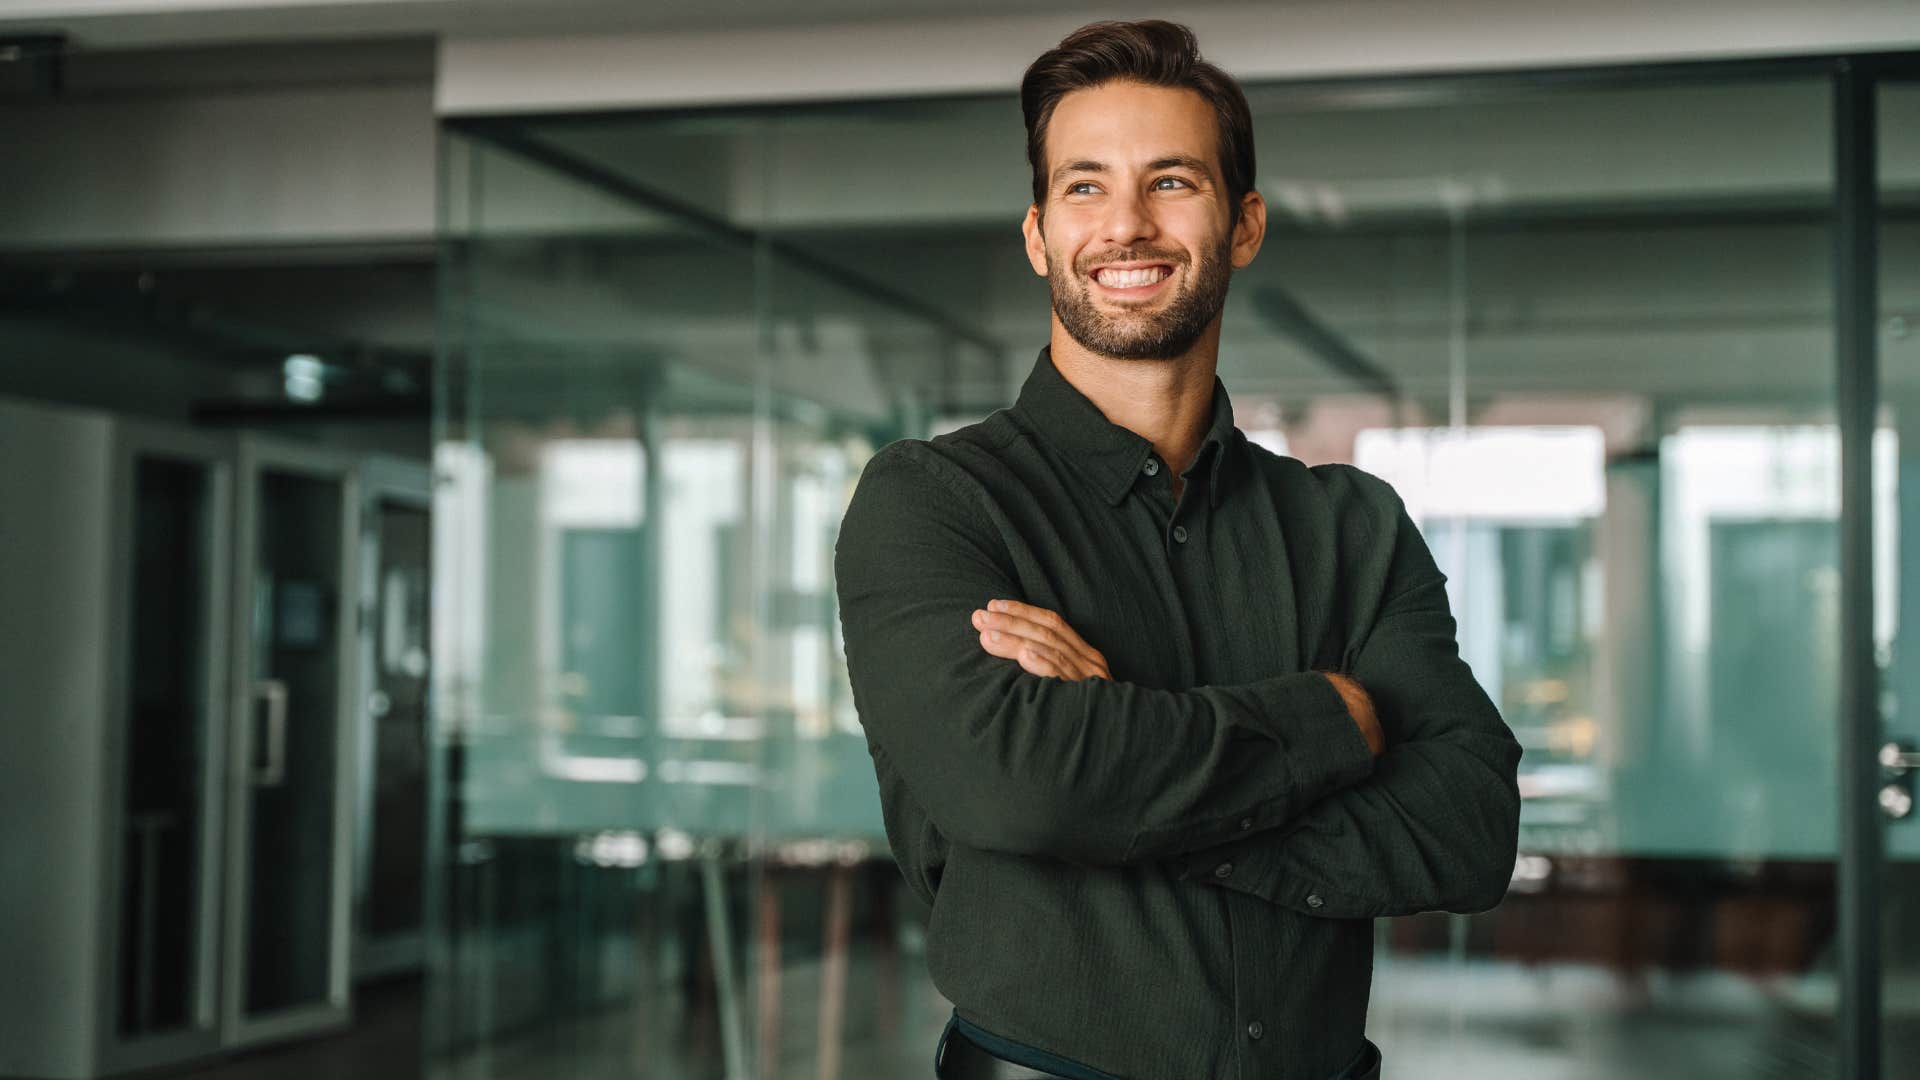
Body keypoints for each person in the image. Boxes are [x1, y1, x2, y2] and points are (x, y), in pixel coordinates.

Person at [832, 19, 1523, 1080]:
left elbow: (1469, 827)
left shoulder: (1352, 525)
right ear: (1037, 235)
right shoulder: (934, 502)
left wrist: (1113, 790)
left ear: (1243, 224)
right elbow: (1018, 791)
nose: (1126, 225)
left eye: (1171, 182)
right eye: (1085, 187)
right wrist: (1331, 722)